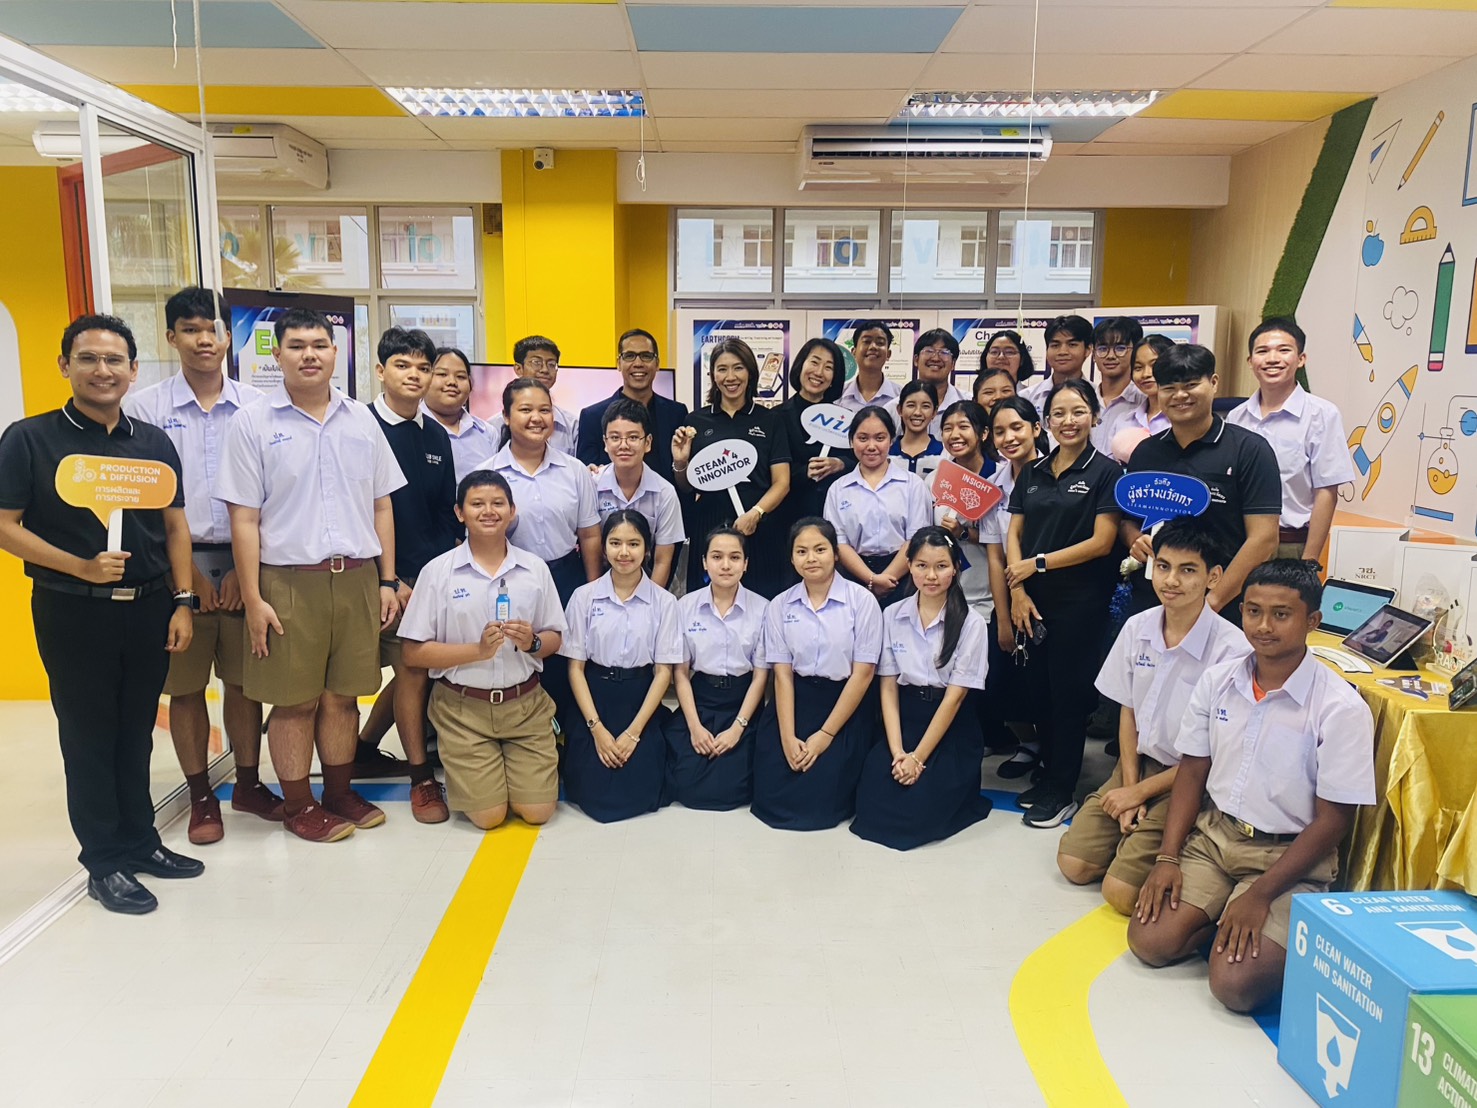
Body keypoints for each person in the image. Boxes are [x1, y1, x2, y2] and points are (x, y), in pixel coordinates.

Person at [0, 313, 201, 913]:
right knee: (88, 736)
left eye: (114, 360)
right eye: (88, 358)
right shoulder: (29, 439)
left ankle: (141, 841)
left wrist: (183, 601)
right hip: (73, 610)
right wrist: (79, 566)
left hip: (149, 608)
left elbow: (175, 527)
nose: (102, 370)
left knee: (136, 731)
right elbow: (5, 526)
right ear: (65, 365)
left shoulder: (152, 444)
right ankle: (104, 861)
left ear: (133, 370)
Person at [1128, 560, 1376, 1013]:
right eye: (1253, 611)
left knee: (1235, 987)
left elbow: (1334, 821)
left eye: (1281, 614)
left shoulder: (1340, 707)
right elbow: (1192, 771)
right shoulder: (1218, 681)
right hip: (1216, 839)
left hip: (1288, 857)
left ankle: (1248, 921)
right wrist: (1168, 857)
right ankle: (1221, 916)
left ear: (1312, 621)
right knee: (1149, 941)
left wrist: (1261, 894)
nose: (1263, 626)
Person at [217, 307, 406, 843]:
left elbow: (382, 505)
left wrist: (387, 580)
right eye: (297, 346)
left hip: (356, 578)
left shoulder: (361, 420)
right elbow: (244, 519)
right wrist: (253, 598)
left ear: (335, 353)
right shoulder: (252, 422)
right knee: (294, 700)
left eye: (319, 345)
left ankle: (339, 792)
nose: (309, 355)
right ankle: (299, 804)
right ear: (276, 355)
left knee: (344, 697)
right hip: (286, 581)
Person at [123, 287, 278, 845]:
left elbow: (273, 497)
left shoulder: (259, 408)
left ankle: (248, 783)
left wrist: (245, 570)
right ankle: (199, 795)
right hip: (175, 572)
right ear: (171, 337)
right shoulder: (145, 410)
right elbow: (140, 506)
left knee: (245, 683)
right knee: (185, 689)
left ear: (228, 336)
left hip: (243, 567)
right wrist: (181, 578)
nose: (204, 339)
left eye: (213, 329)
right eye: (190, 330)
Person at [1057, 519, 1251, 914]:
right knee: (1073, 865)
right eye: (1163, 566)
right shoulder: (1137, 627)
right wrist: (1130, 787)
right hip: (1137, 762)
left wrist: (1141, 794)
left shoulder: (1232, 650)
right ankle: (1134, 832)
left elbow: (1214, 752)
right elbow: (1127, 711)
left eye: (1188, 570)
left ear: (1214, 577)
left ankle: (1186, 838)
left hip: (1189, 777)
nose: (1171, 580)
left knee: (1120, 894)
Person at [399, 471, 566, 830]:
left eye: (497, 503)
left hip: (525, 707)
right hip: (463, 711)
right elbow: (413, 653)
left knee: (537, 811)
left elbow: (555, 637)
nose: (488, 511)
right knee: (489, 817)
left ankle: (509, 769)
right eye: (477, 504)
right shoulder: (438, 572)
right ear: (460, 512)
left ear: (512, 511)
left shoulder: (534, 569)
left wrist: (533, 643)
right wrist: (476, 651)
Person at [1004, 380, 1123, 828]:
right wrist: (1018, 590)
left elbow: (1102, 541)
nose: (1068, 421)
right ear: (1046, 422)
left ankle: (1063, 790)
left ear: (1094, 416)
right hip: (1031, 601)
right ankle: (1049, 775)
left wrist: (1037, 564)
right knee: (1039, 692)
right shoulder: (1032, 472)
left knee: (1068, 697)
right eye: (1058, 413)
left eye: (1078, 411)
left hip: (1080, 603)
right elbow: (1015, 533)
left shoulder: (1106, 472)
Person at [355, 327, 461, 820]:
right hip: (372, 579)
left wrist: (431, 579)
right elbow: (359, 512)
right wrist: (390, 578)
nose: (415, 375)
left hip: (425, 581)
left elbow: (445, 514)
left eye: (423, 367)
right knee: (356, 680)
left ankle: (411, 770)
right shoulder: (360, 428)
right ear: (381, 371)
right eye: (403, 365)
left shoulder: (435, 434)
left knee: (413, 671)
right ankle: (356, 764)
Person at [851, 527, 993, 850]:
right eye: (921, 565)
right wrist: (898, 751)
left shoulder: (971, 623)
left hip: (949, 726)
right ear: (909, 566)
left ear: (955, 568)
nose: (931, 576)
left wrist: (917, 758)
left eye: (941, 566)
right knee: (871, 801)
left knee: (918, 814)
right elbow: (888, 688)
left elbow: (955, 698)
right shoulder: (892, 615)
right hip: (905, 720)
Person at [1123, 344, 1281, 624]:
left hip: (1223, 606)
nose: (1180, 395)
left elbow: (1264, 539)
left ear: (1214, 383)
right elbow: (1128, 520)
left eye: (1191, 385)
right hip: (1153, 601)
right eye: (1169, 388)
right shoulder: (1146, 452)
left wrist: (1212, 603)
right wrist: (1134, 539)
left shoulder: (1249, 450)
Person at [752, 517, 882, 831]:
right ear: (791, 558)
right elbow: (782, 675)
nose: (811, 558)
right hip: (794, 700)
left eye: (820, 549)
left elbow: (863, 675)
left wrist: (825, 735)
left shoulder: (862, 602)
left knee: (822, 799)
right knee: (772, 794)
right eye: (801, 551)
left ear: (836, 553)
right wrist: (787, 736)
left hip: (843, 704)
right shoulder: (780, 605)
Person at [559, 510, 679, 823]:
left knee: (642, 787)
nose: (624, 552)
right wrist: (597, 729)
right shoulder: (583, 597)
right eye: (615, 543)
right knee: (591, 790)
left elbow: (663, 673)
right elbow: (575, 669)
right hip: (594, 699)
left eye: (633, 544)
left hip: (640, 701)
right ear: (603, 547)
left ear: (647, 549)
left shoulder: (664, 603)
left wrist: (634, 734)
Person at [1226, 318, 1356, 561]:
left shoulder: (1322, 414)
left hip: (1291, 546)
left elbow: (1326, 492)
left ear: (1301, 359)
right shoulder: (1236, 417)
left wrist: (1309, 560)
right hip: (1240, 543)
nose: (1272, 359)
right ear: (1250, 361)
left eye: (1283, 350)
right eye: (1262, 351)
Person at [671, 338, 791, 597]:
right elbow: (688, 485)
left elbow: (782, 482)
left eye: (738, 368)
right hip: (709, 524)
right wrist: (681, 462)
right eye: (722, 369)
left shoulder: (770, 420)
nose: (730, 377)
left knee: (761, 601)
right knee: (707, 602)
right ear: (713, 375)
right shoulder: (696, 420)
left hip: (758, 527)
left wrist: (756, 513)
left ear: (750, 372)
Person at [665, 527, 769, 810]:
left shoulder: (763, 609)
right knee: (684, 782)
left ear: (745, 564)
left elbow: (760, 677)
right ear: (704, 562)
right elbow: (680, 674)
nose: (725, 565)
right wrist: (695, 727)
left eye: (734, 557)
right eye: (717, 557)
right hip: (700, 700)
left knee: (733, 787)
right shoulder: (685, 606)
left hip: (742, 703)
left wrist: (737, 728)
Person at [478, 377, 600, 606]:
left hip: (567, 578)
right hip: (508, 578)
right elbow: (478, 541)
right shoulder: (486, 475)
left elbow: (589, 535)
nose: (536, 418)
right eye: (526, 410)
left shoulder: (575, 470)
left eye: (545, 410)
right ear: (506, 416)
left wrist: (592, 591)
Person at [982, 397, 1047, 767]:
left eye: (1017, 427)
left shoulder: (1057, 475)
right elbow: (995, 556)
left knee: (1048, 683)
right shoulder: (993, 486)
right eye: (1000, 431)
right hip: (1009, 589)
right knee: (1001, 679)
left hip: (1052, 589)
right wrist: (1003, 617)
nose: (1009, 438)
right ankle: (1029, 742)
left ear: (1036, 428)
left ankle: (1053, 751)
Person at [825, 405, 934, 610]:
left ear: (891, 440)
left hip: (904, 576)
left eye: (880, 438)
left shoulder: (912, 484)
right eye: (863, 438)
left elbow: (916, 539)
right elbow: (839, 542)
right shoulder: (838, 489)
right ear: (851, 441)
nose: (871, 446)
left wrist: (886, 579)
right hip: (853, 576)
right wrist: (871, 579)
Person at [594, 398, 685, 588]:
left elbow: (662, 560)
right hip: (601, 581)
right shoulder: (591, 485)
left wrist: (650, 601)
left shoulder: (665, 493)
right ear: (605, 442)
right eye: (615, 438)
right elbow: (589, 546)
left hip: (647, 580)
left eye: (633, 437)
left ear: (648, 442)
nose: (624, 445)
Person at [576, 328, 689, 482]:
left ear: (657, 364)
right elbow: (586, 478)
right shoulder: (592, 417)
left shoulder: (676, 413)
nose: (638, 363)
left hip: (666, 497)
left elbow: (685, 482)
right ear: (618, 363)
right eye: (629, 356)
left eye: (646, 356)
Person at [776, 337, 854, 528]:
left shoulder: (845, 419)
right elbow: (769, 473)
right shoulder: (776, 417)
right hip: (788, 517)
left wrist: (840, 463)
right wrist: (804, 472)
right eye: (814, 362)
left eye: (828, 367)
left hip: (836, 517)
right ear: (801, 365)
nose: (819, 372)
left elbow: (860, 460)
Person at [489, 335, 579, 456]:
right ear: (518, 369)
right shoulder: (493, 426)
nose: (545, 370)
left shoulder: (572, 424)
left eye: (551, 364)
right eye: (536, 363)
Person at [422, 347, 496, 484]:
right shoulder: (411, 428)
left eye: (461, 376)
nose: (452, 382)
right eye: (442, 374)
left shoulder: (487, 433)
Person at [1098, 335, 1172, 463]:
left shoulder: (1181, 421)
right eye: (1138, 368)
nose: (1146, 374)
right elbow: (1108, 465)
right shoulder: (1123, 420)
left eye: (1154, 365)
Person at [1089, 316, 1146, 456]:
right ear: (1093, 354)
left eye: (1120, 348)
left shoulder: (1145, 401)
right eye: (1102, 348)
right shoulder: (1084, 400)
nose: (1110, 356)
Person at [1021, 315, 1095, 412]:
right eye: (1055, 345)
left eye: (1072, 345)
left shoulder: (1098, 396)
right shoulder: (1027, 398)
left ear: (1088, 349)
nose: (1062, 352)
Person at [911, 328, 965, 436]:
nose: (935, 358)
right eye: (929, 351)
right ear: (916, 360)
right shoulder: (895, 407)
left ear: (953, 364)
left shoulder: (967, 403)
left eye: (944, 352)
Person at [837, 321, 899, 412]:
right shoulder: (838, 396)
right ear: (854, 352)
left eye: (880, 343)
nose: (873, 347)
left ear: (888, 354)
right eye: (866, 341)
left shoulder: (901, 396)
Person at [891, 379, 944, 481]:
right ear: (900, 410)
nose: (917, 412)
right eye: (911, 405)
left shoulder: (944, 454)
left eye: (925, 406)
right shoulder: (887, 454)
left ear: (934, 412)